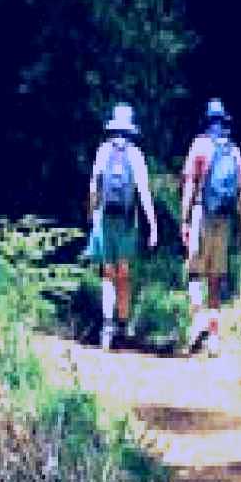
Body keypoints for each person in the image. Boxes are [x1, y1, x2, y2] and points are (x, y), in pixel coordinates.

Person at [180, 98, 241, 357]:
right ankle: (214, 339)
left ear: (207, 122)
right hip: (225, 219)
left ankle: (198, 321)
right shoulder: (234, 150)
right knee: (216, 278)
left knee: (194, 271)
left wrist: (185, 219)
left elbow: (189, 186)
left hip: (201, 213)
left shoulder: (199, 146)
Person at [88, 103, 158, 350]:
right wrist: (153, 224)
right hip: (128, 220)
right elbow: (143, 192)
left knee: (107, 273)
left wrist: (91, 215)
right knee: (124, 274)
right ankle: (123, 324)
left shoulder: (103, 151)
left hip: (104, 219)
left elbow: (94, 187)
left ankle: (106, 328)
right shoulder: (135, 154)